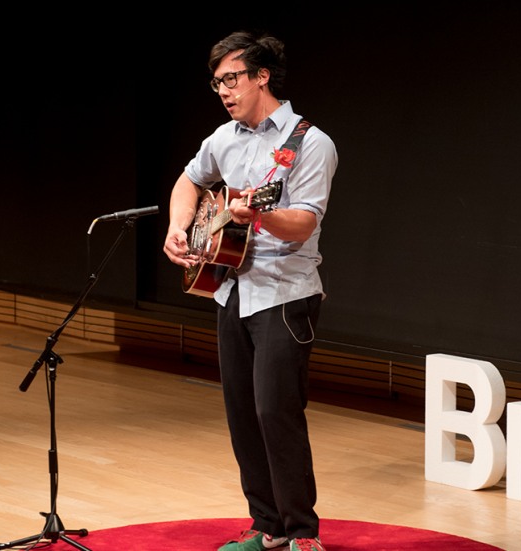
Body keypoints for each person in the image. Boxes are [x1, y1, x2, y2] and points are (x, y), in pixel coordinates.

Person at [162, 30, 338, 551]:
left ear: (262, 76)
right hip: (230, 289)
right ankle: (267, 528)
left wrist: (260, 213)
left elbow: (303, 224)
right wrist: (179, 226)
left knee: (274, 411)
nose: (224, 90)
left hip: (285, 294)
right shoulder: (224, 138)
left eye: (232, 79)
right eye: (217, 83)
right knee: (242, 412)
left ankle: (303, 533)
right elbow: (189, 181)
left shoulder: (311, 143)